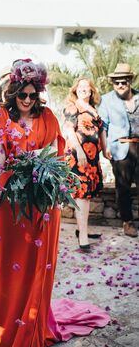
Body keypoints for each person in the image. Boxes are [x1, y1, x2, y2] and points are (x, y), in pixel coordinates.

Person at [0, 59, 110, 347]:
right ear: (12, 93)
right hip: (10, 199)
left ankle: (32, 319)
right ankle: (4, 320)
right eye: (21, 95)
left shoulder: (47, 116)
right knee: (5, 260)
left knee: (36, 260)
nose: (26, 100)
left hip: (42, 199)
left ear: (39, 95)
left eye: (32, 95)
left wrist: (37, 161)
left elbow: (55, 152)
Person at [63, 78, 109, 252]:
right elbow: (69, 130)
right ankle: (82, 237)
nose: (83, 89)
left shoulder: (93, 109)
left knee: (87, 195)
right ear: (75, 90)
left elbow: (101, 129)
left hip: (92, 158)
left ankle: (82, 229)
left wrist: (104, 150)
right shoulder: (73, 107)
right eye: (80, 87)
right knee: (81, 195)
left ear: (91, 91)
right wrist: (80, 151)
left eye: (87, 87)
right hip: (78, 156)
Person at [99, 63, 138, 237]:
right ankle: (127, 223)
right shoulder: (107, 100)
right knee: (123, 188)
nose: (120, 85)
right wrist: (104, 147)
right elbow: (103, 126)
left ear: (130, 81)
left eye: (123, 82)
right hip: (120, 147)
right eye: (116, 83)